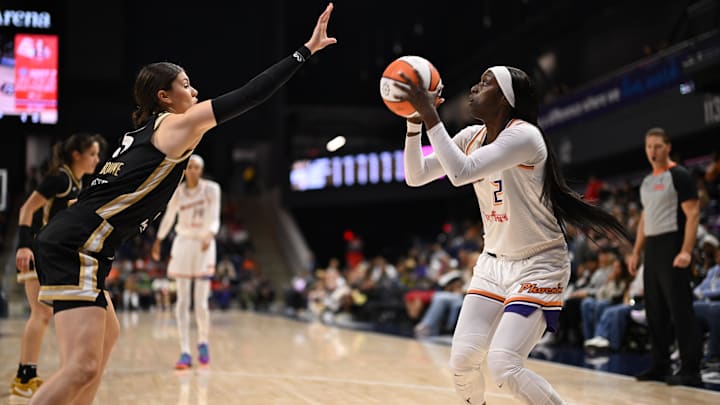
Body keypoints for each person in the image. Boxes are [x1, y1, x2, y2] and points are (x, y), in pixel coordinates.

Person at [28, 5, 336, 404]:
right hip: (78, 245)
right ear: (165, 97)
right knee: (83, 366)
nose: (194, 91)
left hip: (81, 241)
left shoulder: (141, 132)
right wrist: (304, 52)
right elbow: (247, 97)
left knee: (104, 342)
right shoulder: (176, 125)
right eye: (186, 85)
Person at [396, 66, 629, 404]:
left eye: (486, 82)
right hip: (493, 265)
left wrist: (431, 114)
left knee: (504, 364)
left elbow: (461, 173)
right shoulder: (470, 137)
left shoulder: (524, 136)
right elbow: (415, 176)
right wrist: (414, 122)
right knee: (462, 361)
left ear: (505, 99)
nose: (475, 86)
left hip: (539, 263)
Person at [11, 133, 103, 403]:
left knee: (42, 315)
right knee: (40, 315)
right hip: (37, 252)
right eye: (92, 154)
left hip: (49, 254)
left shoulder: (75, 182)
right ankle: (25, 377)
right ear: (77, 155)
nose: (97, 159)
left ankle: (26, 375)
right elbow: (26, 209)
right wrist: (24, 245)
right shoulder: (61, 179)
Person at [627, 128, 703, 386]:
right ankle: (659, 365)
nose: (653, 151)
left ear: (668, 147)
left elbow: (693, 215)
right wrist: (636, 251)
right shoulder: (647, 181)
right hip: (653, 250)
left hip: (674, 244)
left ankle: (690, 368)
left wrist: (686, 251)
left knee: (680, 310)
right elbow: (645, 218)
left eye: (658, 146)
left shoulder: (680, 175)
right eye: (649, 146)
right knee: (655, 311)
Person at [151, 154, 221, 369]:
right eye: (189, 166)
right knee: (181, 301)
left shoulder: (212, 189)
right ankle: (184, 351)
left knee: (200, 303)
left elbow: (216, 216)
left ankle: (202, 342)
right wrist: (159, 239)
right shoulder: (178, 192)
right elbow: (169, 217)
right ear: (184, 170)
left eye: (196, 167)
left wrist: (211, 233)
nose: (192, 170)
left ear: (201, 170)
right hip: (182, 244)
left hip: (203, 245)